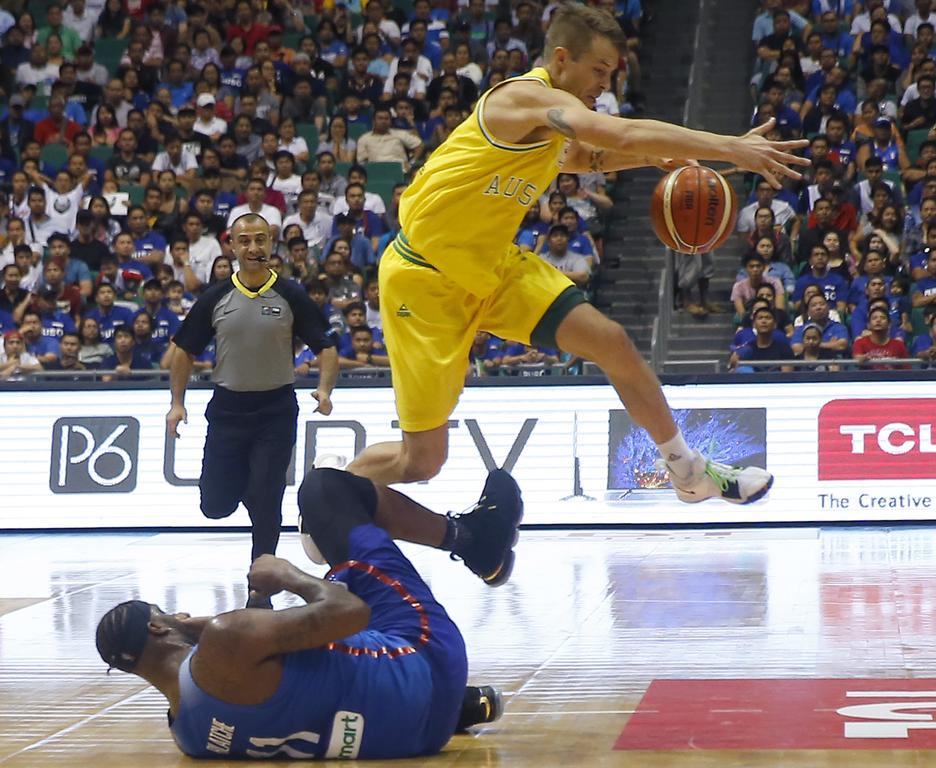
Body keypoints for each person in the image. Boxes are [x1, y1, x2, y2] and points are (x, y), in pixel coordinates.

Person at [344, 4, 808, 505]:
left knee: (612, 342)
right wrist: (730, 147)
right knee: (423, 461)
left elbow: (589, 155)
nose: (604, 87)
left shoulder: (546, 127)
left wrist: (653, 157)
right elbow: (618, 133)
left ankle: (686, 469)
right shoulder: (520, 100)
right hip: (424, 278)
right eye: (600, 72)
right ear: (562, 59)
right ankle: (332, 495)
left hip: (492, 269)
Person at [95, 460, 518, 759]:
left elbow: (262, 682)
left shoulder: (188, 736)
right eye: (167, 612)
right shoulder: (228, 639)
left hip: (418, 735)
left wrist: (225, 626)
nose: (182, 614)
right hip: (427, 658)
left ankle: (459, 707)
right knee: (325, 492)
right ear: (156, 628)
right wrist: (288, 575)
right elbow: (350, 612)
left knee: (314, 665)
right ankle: (474, 540)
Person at [166, 214, 340, 605]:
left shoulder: (292, 295)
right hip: (227, 410)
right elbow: (183, 351)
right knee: (214, 505)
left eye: (260, 240)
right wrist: (177, 404)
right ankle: (255, 489)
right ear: (232, 246)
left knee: (266, 502)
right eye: (244, 241)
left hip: (276, 409)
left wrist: (324, 389)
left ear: (271, 242)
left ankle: (260, 591)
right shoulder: (215, 297)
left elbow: (326, 348)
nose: (253, 248)